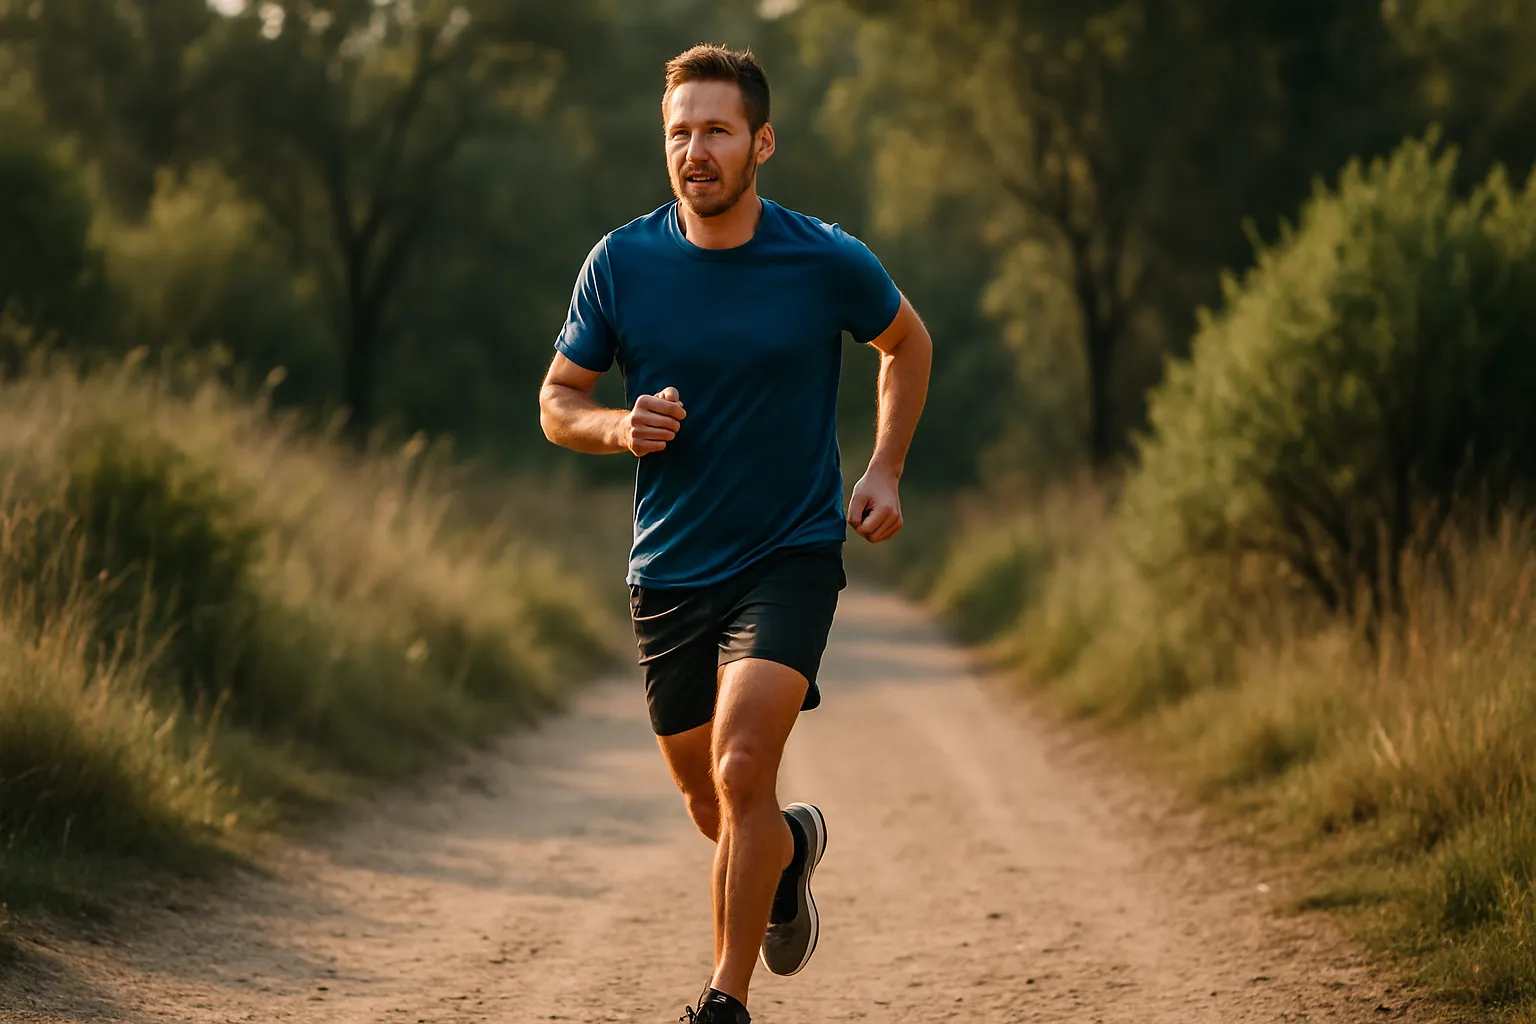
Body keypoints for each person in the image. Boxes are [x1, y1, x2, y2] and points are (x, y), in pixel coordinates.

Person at [538, 43, 932, 1024]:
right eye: (678, 133)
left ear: (761, 142)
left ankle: (724, 999)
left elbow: (906, 344)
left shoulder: (824, 258)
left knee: (742, 764)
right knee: (714, 805)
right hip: (669, 567)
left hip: (790, 554)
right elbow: (556, 401)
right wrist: (616, 426)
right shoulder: (621, 263)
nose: (695, 150)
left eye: (716, 131)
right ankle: (790, 849)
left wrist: (883, 466)